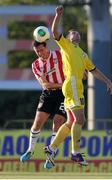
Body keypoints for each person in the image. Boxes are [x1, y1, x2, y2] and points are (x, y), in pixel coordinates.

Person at [44, 5, 112, 169]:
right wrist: (57, 15)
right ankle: (75, 153)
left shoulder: (83, 54)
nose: (76, 35)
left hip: (74, 87)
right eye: (73, 34)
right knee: (81, 119)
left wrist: (108, 81)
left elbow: (94, 71)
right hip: (72, 85)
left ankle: (52, 147)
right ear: (68, 38)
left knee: (71, 122)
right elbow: (55, 32)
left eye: (78, 34)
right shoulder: (67, 46)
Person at [20, 40, 67, 168]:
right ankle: (30, 150)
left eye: (41, 50)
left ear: (46, 47)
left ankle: (50, 156)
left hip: (63, 95)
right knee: (37, 123)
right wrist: (63, 84)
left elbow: (71, 66)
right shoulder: (36, 64)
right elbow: (45, 84)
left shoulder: (59, 54)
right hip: (48, 94)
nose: (40, 53)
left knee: (58, 121)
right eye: (37, 52)